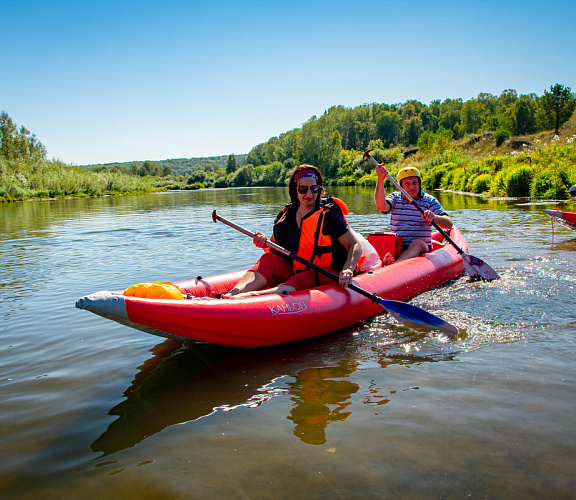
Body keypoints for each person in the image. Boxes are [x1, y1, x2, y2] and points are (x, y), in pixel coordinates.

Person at [225, 164, 362, 298]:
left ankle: (251, 296)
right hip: (298, 270)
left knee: (304, 276)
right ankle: (231, 294)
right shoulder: (286, 215)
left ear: (319, 189)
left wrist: (348, 268)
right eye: (303, 189)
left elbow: (355, 245)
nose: (309, 194)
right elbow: (272, 250)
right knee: (267, 260)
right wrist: (263, 243)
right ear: (295, 190)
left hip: (328, 272)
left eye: (314, 189)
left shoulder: (329, 216)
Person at [374, 163, 453, 262]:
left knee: (417, 243)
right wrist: (380, 180)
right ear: (400, 185)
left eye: (414, 183)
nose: (412, 187)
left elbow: (449, 224)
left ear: (419, 183)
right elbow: (381, 207)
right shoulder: (395, 197)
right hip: (398, 246)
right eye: (407, 183)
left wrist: (434, 217)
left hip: (422, 247)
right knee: (378, 239)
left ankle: (395, 265)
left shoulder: (429, 200)